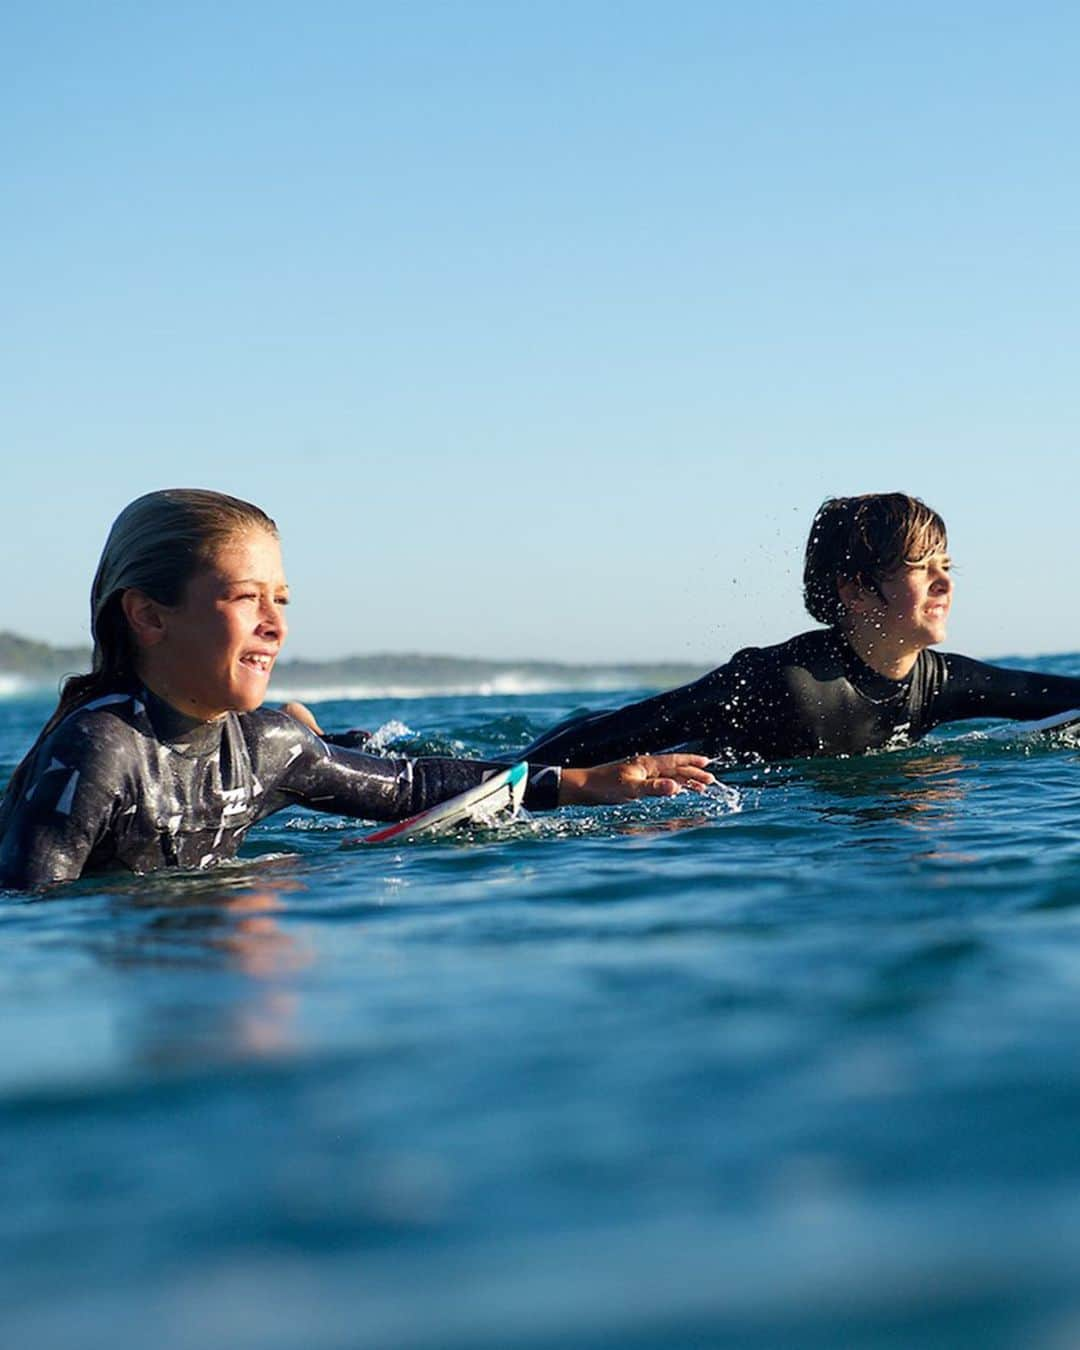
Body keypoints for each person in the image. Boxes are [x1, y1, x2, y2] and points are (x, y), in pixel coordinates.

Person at [0, 490, 713, 890]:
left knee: (320, 755)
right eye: (246, 598)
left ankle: (328, 741)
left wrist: (584, 782)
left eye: (281, 599)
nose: (274, 623)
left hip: (236, 838)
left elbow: (411, 788)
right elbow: (32, 907)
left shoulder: (263, 748)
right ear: (149, 615)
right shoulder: (100, 750)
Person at [514, 493, 1080, 767]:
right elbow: (627, 730)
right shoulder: (786, 680)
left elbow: (1056, 699)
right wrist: (506, 779)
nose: (944, 585)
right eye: (921, 568)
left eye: (947, 568)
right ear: (854, 589)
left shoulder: (939, 682)